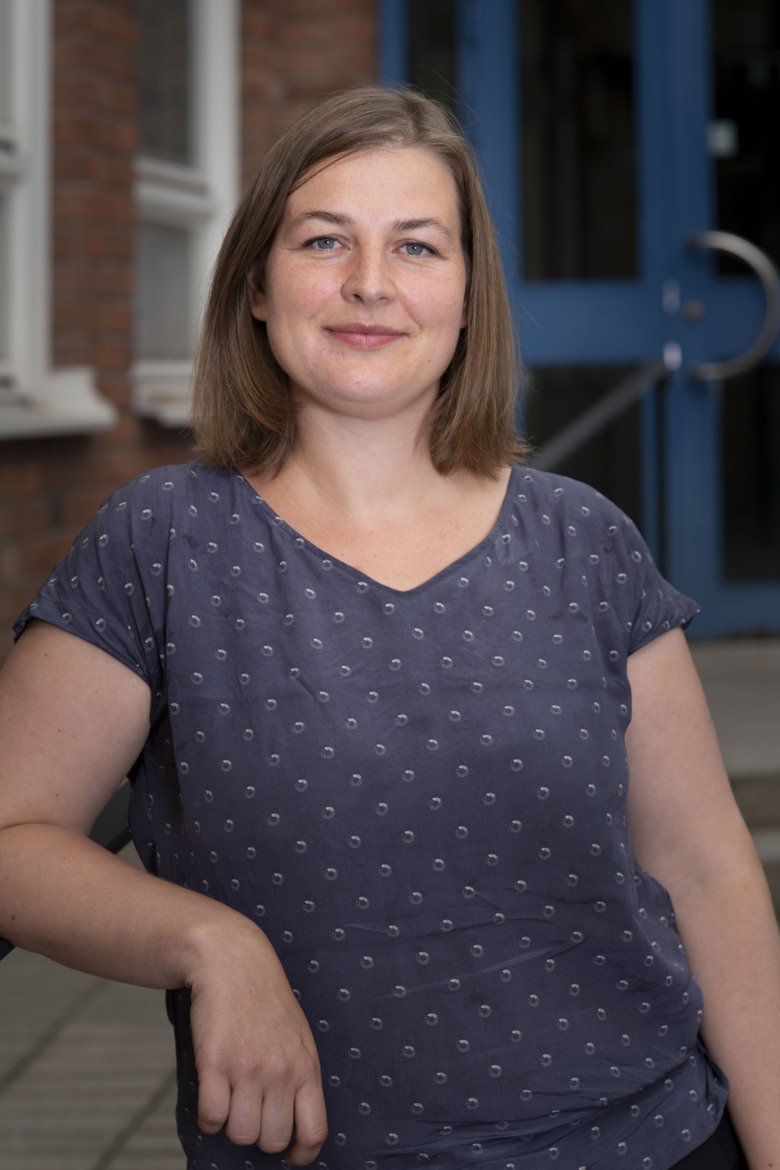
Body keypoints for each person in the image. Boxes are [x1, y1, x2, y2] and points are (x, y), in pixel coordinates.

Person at [0, 85, 777, 1170]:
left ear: (467, 298)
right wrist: (206, 941)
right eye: (325, 241)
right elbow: (13, 837)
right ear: (259, 289)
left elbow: (709, 873)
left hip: (649, 1137)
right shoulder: (163, 543)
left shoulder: (582, 541)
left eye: (418, 247)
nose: (370, 284)